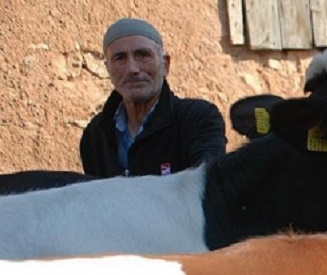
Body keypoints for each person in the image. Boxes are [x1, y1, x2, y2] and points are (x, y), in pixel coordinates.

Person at [80, 18, 226, 177]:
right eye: (120, 58)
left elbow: (208, 185)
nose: (132, 69)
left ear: (165, 65)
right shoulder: (96, 134)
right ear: (107, 69)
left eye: (143, 55)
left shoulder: (197, 119)